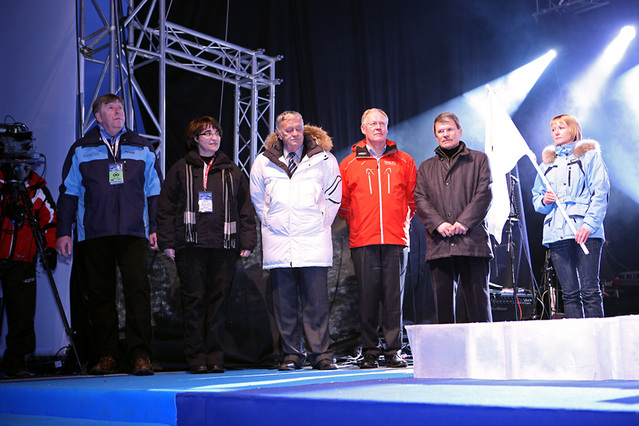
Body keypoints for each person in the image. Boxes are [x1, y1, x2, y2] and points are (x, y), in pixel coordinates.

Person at [56, 93, 163, 376]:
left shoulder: (143, 147)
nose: (119, 112)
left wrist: (155, 226)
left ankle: (140, 354)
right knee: (100, 296)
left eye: (120, 108)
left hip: (133, 232)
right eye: (111, 108)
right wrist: (63, 232)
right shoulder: (81, 149)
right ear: (98, 116)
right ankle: (107, 355)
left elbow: (154, 191)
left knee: (138, 292)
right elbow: (68, 193)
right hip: (94, 233)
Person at [156, 116, 256, 374]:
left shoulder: (232, 171)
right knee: (194, 301)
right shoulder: (180, 168)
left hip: (224, 246)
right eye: (207, 133)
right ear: (195, 139)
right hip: (190, 246)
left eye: (217, 133)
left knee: (218, 302)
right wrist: (167, 240)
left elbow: (245, 208)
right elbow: (165, 208)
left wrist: (247, 240)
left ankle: (215, 357)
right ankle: (196, 358)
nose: (214, 138)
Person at [250, 111, 341, 371]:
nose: (294, 134)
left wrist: (321, 221)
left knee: (316, 302)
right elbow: (257, 198)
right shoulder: (263, 162)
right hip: (279, 242)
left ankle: (321, 354)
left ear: (305, 130)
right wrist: (270, 220)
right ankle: (291, 355)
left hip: (312, 239)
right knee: (285, 304)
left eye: (298, 129)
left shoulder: (324, 159)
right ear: (279, 133)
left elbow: (334, 195)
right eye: (288, 130)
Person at [339, 108, 416, 369]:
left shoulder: (404, 161)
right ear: (363, 128)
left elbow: (413, 199)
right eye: (372, 123)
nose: (378, 127)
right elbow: (343, 203)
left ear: (387, 127)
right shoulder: (348, 163)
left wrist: (402, 222)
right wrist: (358, 224)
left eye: (382, 123)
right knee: (368, 297)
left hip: (396, 239)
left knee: (394, 298)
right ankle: (370, 351)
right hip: (363, 240)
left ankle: (393, 350)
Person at [414, 112, 493, 324]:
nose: (445, 134)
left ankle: (484, 351)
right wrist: (439, 224)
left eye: (449, 129)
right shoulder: (426, 167)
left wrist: (463, 222)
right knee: (443, 307)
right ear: (435, 135)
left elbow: (484, 194)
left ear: (459, 131)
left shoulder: (479, 159)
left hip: (472, 242)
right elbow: (420, 199)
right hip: (440, 243)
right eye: (441, 131)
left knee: (478, 303)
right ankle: (448, 355)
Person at [532, 114, 609, 318]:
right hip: (556, 233)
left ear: (573, 130)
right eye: (553, 129)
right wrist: (544, 201)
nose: (556, 132)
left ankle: (597, 342)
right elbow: (536, 198)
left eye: (561, 127)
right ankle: (579, 344)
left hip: (584, 231)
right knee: (569, 294)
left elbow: (600, 192)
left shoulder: (589, 156)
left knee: (590, 291)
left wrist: (589, 225)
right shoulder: (546, 164)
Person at [0, 164, 57, 377]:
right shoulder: (1, 182)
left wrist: (50, 248)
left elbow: (51, 219)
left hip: (23, 259)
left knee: (22, 313)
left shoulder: (36, 187)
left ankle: (16, 361)